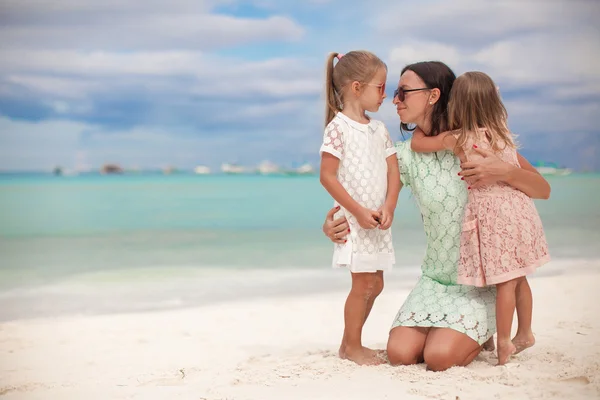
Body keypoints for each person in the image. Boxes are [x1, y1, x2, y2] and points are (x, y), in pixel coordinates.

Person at [322, 61, 551, 371]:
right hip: (435, 280)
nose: (395, 100)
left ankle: (482, 330)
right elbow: (362, 193)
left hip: (481, 282)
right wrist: (333, 222)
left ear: (432, 96)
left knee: (439, 358)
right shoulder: (404, 155)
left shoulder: (476, 141)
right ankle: (464, 333)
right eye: (394, 92)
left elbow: (542, 189)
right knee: (401, 354)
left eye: (403, 92)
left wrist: (505, 171)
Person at [410, 71, 550, 365]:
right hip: (521, 211)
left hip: (493, 216)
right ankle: (524, 332)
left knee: (504, 284)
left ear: (456, 105)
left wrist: (418, 132)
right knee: (519, 276)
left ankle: (503, 342)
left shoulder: (459, 139)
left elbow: (419, 146)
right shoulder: (502, 134)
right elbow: (534, 185)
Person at [319, 50, 400, 366]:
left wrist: (389, 206)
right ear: (356, 87)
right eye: (379, 87)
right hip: (354, 221)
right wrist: (357, 212)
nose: (384, 94)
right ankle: (352, 345)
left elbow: (393, 170)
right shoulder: (337, 128)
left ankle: (349, 344)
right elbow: (327, 176)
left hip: (378, 220)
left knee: (376, 283)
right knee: (363, 283)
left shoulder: (378, 129)